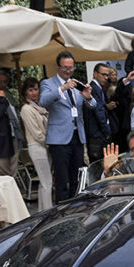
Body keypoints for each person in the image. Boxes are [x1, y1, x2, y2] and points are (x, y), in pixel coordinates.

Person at [41, 51, 91, 202]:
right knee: (62, 180)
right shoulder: (48, 83)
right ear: (58, 66)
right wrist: (62, 88)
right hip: (59, 139)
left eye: (71, 67)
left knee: (77, 177)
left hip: (77, 136)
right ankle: (61, 211)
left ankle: (76, 206)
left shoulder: (77, 84)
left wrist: (88, 97)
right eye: (65, 67)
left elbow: (93, 105)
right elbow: (43, 101)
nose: (68, 70)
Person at [18, 76, 53, 212]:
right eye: (30, 90)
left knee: (44, 182)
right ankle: (48, 213)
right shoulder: (26, 109)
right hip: (37, 147)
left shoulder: (40, 106)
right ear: (25, 92)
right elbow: (37, 133)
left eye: (36, 89)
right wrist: (51, 140)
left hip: (45, 146)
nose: (34, 92)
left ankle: (41, 211)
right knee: (47, 182)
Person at [86, 64, 113, 164]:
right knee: (99, 165)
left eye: (107, 75)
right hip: (97, 134)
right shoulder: (93, 89)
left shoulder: (98, 88)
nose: (106, 78)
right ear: (95, 74)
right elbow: (99, 112)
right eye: (103, 75)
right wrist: (107, 132)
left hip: (98, 133)